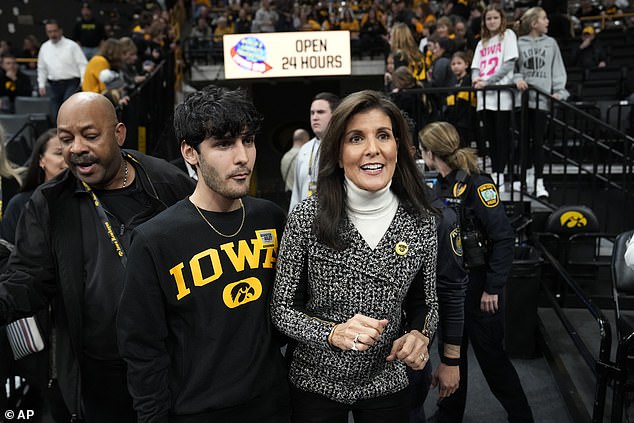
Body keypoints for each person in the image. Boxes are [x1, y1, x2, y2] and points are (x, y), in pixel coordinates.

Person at [0, 92, 195, 422]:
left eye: (90, 136)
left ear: (118, 134)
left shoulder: (168, 185)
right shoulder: (49, 202)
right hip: (97, 375)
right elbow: (28, 278)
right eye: (66, 139)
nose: (76, 148)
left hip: (173, 363)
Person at [117, 85, 290, 423]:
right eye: (224, 144)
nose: (242, 157)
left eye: (248, 140)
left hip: (274, 406)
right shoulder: (155, 239)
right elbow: (142, 349)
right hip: (197, 412)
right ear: (190, 152)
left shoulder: (271, 218)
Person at [271, 90, 439, 422]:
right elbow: (281, 310)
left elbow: (427, 302)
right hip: (314, 383)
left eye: (383, 136)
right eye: (356, 138)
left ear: (397, 147)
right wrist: (331, 333)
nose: (372, 149)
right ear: (337, 151)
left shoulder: (423, 221)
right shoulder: (308, 217)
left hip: (387, 383)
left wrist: (421, 334)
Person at [419, 121, 534, 423]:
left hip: (480, 286)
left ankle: (522, 416)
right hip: (452, 286)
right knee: (451, 354)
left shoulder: (477, 183)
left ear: (430, 152)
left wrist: (493, 288)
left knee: (492, 359)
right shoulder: (440, 186)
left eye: (422, 149)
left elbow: (504, 238)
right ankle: (449, 413)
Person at [0, 128, 70, 423]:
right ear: (40, 160)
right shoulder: (22, 202)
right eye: (57, 152)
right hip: (32, 314)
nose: (66, 158)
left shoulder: (88, 200)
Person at [514, 7, 569, 198]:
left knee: (538, 143)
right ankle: (523, 180)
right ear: (534, 22)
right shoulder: (519, 43)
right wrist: (517, 79)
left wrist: (560, 91)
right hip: (522, 100)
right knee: (522, 142)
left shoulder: (551, 43)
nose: (548, 22)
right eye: (544, 18)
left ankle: (538, 182)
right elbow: (514, 68)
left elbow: (558, 69)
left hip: (542, 100)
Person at [471, 4, 518, 192]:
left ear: (501, 19)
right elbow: (475, 67)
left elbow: (509, 64)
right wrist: (476, 80)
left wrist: (488, 82)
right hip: (484, 97)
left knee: (501, 137)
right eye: (488, 18)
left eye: (495, 18)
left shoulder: (508, 36)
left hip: (501, 96)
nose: (492, 21)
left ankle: (500, 173)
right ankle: (497, 174)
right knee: (490, 137)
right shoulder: (481, 42)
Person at [288, 92, 339, 211]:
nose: (315, 117)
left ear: (335, 115)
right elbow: (296, 193)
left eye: (320, 112)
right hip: (306, 222)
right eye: (312, 113)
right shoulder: (304, 149)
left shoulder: (344, 146)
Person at [37, 20, 87, 123]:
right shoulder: (44, 47)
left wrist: (83, 81)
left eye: (55, 31)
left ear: (60, 31)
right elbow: (41, 67)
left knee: (68, 110)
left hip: (72, 83)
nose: (52, 34)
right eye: (49, 32)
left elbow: (82, 64)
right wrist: (41, 84)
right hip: (54, 85)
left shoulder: (72, 45)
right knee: (55, 114)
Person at [444, 50, 477, 149]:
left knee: (465, 145)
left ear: (466, 64)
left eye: (459, 63)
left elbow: (463, 102)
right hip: (456, 120)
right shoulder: (453, 82)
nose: (455, 66)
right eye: (453, 64)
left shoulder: (468, 79)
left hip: (466, 119)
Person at [280, 128, 310, 193]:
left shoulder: (285, 156)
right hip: (300, 196)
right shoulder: (304, 156)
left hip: (288, 195)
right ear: (306, 139)